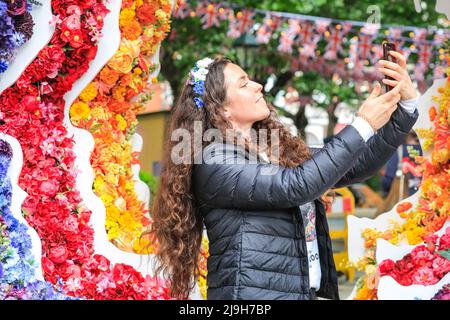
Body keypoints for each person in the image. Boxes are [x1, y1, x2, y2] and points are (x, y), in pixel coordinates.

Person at [151, 51, 419, 300]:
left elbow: (356, 163)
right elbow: (295, 185)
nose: (258, 86)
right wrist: (362, 123)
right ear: (221, 109)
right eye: (244, 84)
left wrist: (406, 104)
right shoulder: (213, 160)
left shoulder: (273, 149)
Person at [379, 130, 423, 214]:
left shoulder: (399, 151)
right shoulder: (430, 149)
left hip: (404, 204)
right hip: (426, 202)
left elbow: (387, 181)